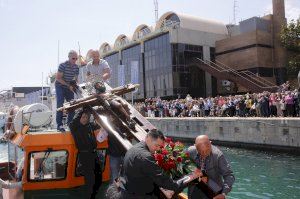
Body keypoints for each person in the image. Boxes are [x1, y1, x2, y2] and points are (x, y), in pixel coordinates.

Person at [117, 129, 201, 199]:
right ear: (148, 139)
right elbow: (166, 182)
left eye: (159, 147)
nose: (157, 149)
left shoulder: (133, 149)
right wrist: (189, 178)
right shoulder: (146, 157)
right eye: (156, 145)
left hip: (127, 190)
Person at [69, 107, 102, 199]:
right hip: (85, 155)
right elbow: (75, 120)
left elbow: (99, 123)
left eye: (86, 118)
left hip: (93, 154)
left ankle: (94, 194)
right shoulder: (75, 127)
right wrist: (82, 109)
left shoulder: (90, 125)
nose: (85, 119)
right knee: (89, 179)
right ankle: (88, 196)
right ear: (79, 118)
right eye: (83, 117)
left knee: (98, 176)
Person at [55, 50, 79, 131]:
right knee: (60, 104)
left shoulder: (76, 67)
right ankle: (59, 125)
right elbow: (58, 78)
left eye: (76, 58)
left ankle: (70, 123)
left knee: (72, 104)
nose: (75, 60)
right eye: (73, 58)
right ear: (69, 57)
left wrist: (75, 86)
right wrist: (69, 85)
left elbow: (75, 80)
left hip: (68, 86)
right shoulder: (62, 65)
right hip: (59, 86)